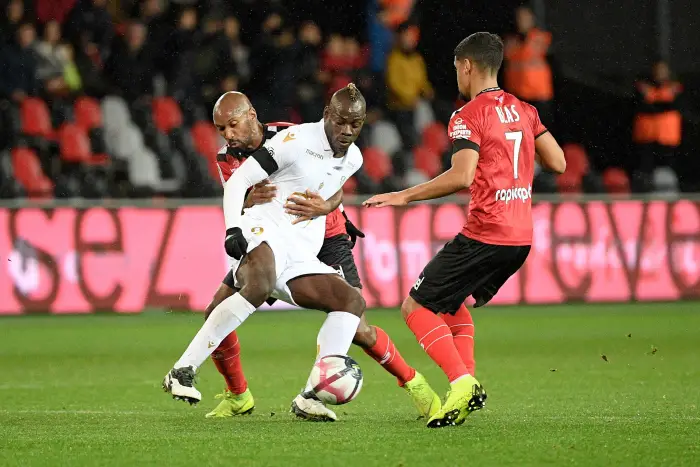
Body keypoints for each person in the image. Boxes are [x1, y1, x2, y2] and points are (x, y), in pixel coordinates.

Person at [163, 85, 437, 422]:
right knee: (223, 304)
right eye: (221, 129)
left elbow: (333, 188)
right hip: (271, 232)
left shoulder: (297, 139)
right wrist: (237, 219)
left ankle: (402, 383)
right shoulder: (238, 155)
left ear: (251, 115)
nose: (228, 135)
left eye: (232, 125)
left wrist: (327, 207)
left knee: (357, 321)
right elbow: (239, 192)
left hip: (325, 235)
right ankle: (226, 390)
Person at [364, 32, 566, 428]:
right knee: (449, 302)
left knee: (416, 307)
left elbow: (462, 175)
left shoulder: (467, 115)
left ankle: (460, 383)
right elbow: (557, 162)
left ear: (468, 66)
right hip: (520, 236)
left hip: (487, 231)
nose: (456, 75)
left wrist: (404, 195)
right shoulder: (525, 109)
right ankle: (468, 384)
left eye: (457, 67)